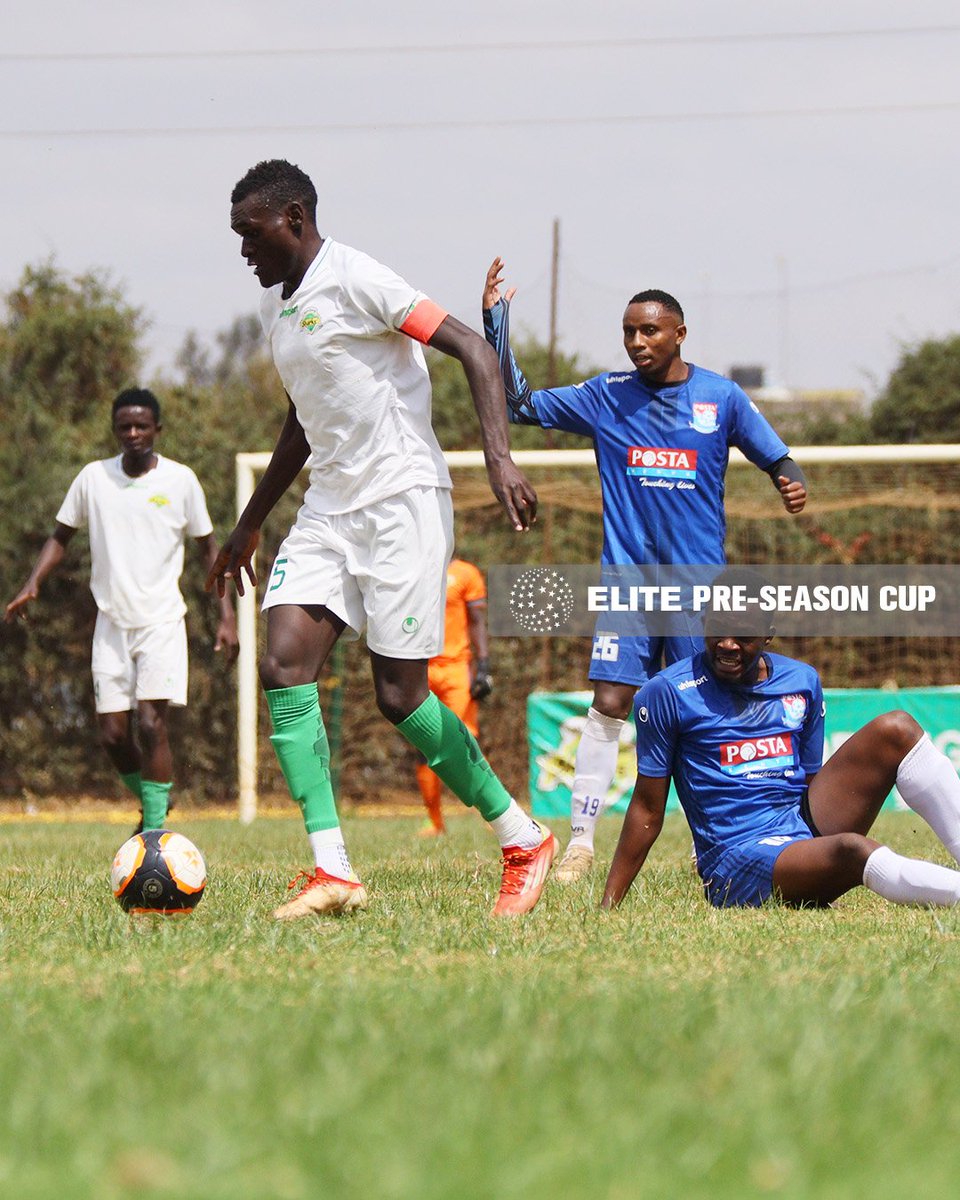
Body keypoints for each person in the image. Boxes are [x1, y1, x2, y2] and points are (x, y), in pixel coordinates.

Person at [211, 158, 555, 920]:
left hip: (403, 502)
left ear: (295, 219)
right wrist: (250, 522)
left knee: (401, 697)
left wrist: (499, 458)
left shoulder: (358, 278)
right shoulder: (279, 311)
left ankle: (522, 838)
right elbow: (303, 420)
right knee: (283, 663)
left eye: (252, 233)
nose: (244, 250)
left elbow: (473, 349)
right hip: (330, 509)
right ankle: (333, 870)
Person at [482, 258, 808, 881]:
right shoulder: (606, 395)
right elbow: (519, 402)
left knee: (704, 710)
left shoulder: (721, 397)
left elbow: (778, 457)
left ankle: (713, 844)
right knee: (609, 701)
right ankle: (580, 845)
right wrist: (497, 321)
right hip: (628, 582)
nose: (637, 341)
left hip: (699, 593)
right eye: (629, 331)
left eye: (650, 331)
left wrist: (790, 481)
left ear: (679, 334)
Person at [601, 606, 960, 911]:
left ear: (768, 636)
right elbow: (647, 809)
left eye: (743, 636)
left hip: (797, 826)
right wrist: (609, 906)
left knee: (896, 729)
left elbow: (812, 782)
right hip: (736, 856)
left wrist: (813, 852)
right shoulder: (667, 692)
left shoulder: (801, 680)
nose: (728, 645)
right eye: (718, 631)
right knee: (852, 849)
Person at [5, 388, 239, 831]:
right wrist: (33, 581)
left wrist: (227, 616)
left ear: (157, 429)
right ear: (114, 430)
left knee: (151, 725)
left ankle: (153, 831)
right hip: (110, 623)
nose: (133, 433)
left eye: (141, 426)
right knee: (113, 735)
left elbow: (209, 548)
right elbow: (61, 536)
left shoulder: (180, 481)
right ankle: (156, 799)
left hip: (162, 621)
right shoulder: (93, 479)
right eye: (124, 426)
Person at [415, 556, 493, 836]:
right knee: (423, 744)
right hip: (419, 666)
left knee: (464, 741)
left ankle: (494, 812)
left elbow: (477, 620)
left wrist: (483, 666)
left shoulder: (466, 573)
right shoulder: (414, 565)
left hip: (456, 668)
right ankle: (434, 821)